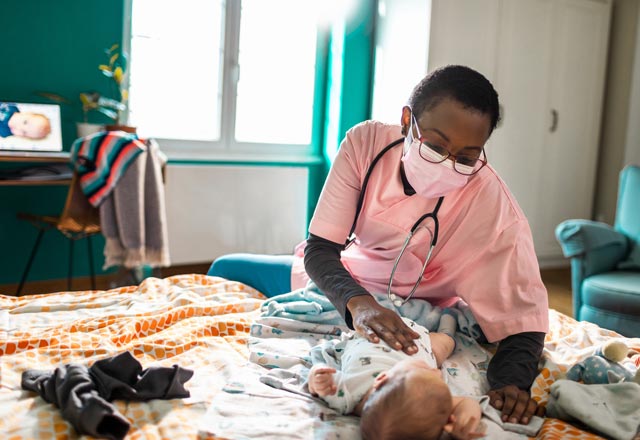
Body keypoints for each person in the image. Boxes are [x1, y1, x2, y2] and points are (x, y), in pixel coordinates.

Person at [209, 65, 549, 425]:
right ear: (407, 120)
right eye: (435, 146)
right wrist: (361, 305)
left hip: (420, 305)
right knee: (224, 268)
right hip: (344, 282)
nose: (448, 165)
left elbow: (523, 316)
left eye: (465, 157)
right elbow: (320, 249)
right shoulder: (365, 144)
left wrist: (512, 383)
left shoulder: (493, 207)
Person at [308, 317, 485, 440]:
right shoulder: (430, 403)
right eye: (436, 375)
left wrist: (317, 379)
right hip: (421, 345)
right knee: (442, 346)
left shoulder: (346, 393)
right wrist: (464, 422)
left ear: (382, 378)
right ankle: (448, 328)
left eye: (424, 370)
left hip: (377, 329)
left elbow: (318, 381)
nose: (437, 372)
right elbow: (467, 403)